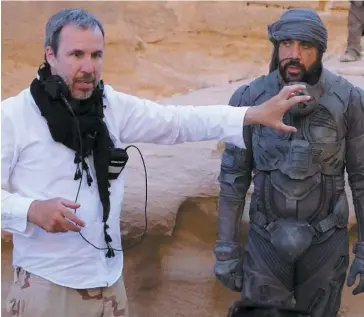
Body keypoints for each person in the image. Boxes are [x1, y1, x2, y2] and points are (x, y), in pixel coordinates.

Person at [1, 7, 309, 317]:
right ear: (50, 55)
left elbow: (177, 122)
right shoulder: (13, 117)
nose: (88, 67)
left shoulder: (110, 105)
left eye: (96, 55)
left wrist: (252, 114)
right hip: (46, 286)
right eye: (76, 54)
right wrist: (31, 210)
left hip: (108, 281)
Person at [214, 7, 364, 317]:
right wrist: (226, 248)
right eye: (286, 44)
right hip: (266, 243)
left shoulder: (349, 100)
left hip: (325, 244)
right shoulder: (249, 98)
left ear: (320, 50)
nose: (293, 54)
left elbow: (362, 179)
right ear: (276, 47)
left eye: (305, 46)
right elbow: (233, 179)